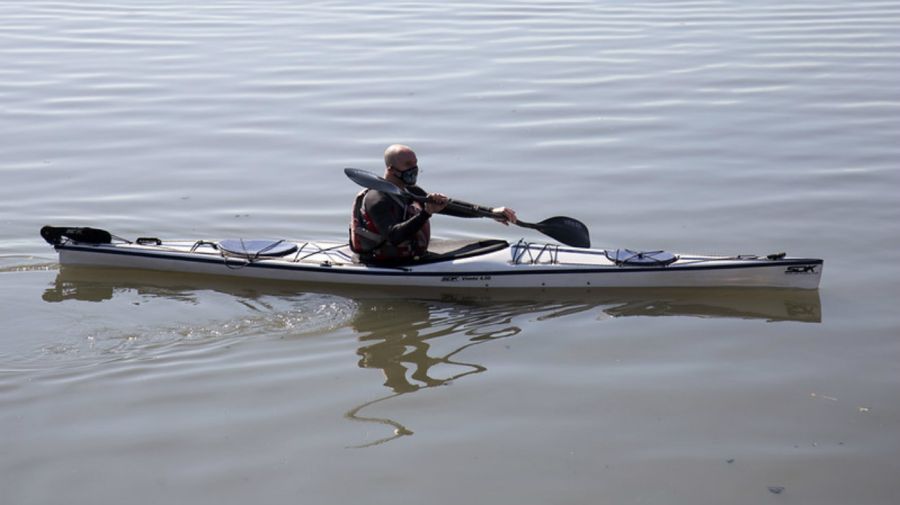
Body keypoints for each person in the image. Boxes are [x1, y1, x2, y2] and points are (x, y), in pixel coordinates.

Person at [350, 144, 517, 264]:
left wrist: (490, 212)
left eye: (415, 164)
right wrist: (426, 213)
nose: (414, 169)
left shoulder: (410, 190)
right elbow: (394, 237)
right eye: (408, 165)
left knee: (493, 245)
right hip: (385, 263)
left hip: (413, 257)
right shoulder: (377, 199)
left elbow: (448, 206)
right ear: (391, 169)